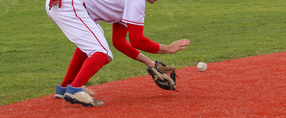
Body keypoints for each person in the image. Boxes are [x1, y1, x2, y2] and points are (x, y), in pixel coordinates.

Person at [45, 0, 190, 106]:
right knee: (102, 52)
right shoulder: (136, 2)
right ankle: (75, 88)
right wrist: (168, 48)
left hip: (64, 5)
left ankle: (66, 86)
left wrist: (149, 63)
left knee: (93, 43)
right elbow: (137, 41)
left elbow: (119, 42)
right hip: (69, 5)